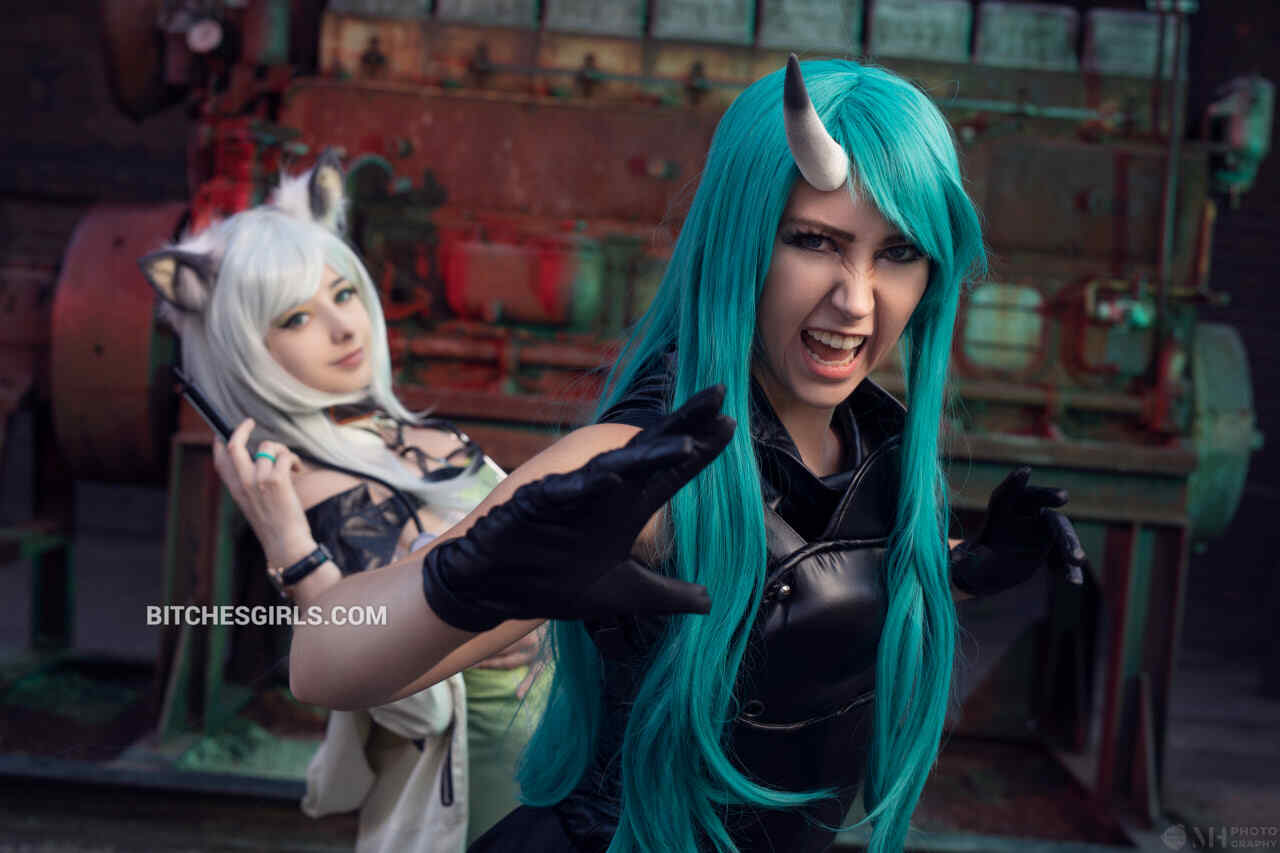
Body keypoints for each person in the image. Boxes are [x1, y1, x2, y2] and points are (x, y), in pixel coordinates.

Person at [203, 55, 1088, 853]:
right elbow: (324, 660)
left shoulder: (875, 450)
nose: (856, 300)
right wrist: (466, 578)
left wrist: (956, 564)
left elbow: (810, 579)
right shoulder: (639, 467)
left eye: (898, 252)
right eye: (814, 240)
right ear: (741, 238)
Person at [139, 154, 548, 850]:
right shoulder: (307, 485)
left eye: (344, 293)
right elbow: (409, 704)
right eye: (297, 316)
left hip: (572, 757)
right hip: (490, 790)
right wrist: (290, 548)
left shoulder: (424, 436)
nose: (344, 327)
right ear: (241, 349)